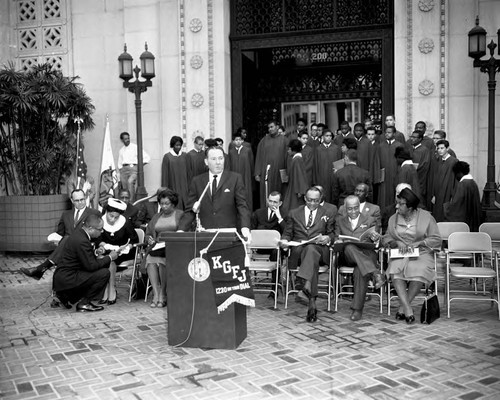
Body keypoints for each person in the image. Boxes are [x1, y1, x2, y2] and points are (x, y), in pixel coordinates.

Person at [382, 188, 441, 324]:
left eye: (401, 204)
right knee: (395, 271)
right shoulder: (393, 219)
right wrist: (395, 241)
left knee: (419, 271)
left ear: (410, 207)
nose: (397, 206)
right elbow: (386, 237)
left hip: (422, 252)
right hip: (401, 253)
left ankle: (403, 307)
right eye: (397, 203)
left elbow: (436, 238)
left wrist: (420, 243)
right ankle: (408, 309)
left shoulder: (427, 217)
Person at [279, 187, 334, 323]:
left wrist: (327, 238)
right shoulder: (294, 213)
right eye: (309, 200)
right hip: (298, 252)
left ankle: (305, 286)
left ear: (320, 200)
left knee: (311, 250)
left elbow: (332, 233)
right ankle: (311, 301)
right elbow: (287, 232)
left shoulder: (327, 213)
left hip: (320, 251)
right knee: (310, 258)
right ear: (304, 198)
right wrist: (285, 241)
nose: (312, 203)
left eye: (316, 201)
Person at [20, 189, 101, 280]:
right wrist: (56, 239)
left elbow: (98, 233)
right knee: (66, 239)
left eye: (82, 199)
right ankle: (45, 272)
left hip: (84, 247)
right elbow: (60, 233)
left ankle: (42, 268)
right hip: (68, 249)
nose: (80, 202)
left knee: (68, 238)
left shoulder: (94, 213)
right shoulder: (66, 214)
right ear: (72, 201)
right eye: (77, 200)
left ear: (85, 198)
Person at [178, 146, 251, 238]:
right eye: (213, 159)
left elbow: (242, 206)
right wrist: (181, 229)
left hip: (228, 234)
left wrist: (245, 227)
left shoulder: (235, 179)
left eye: (221, 158)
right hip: (205, 233)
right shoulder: (197, 181)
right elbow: (190, 210)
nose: (218, 162)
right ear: (206, 161)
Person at [52, 214, 118, 312]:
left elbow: (82, 257)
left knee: (96, 272)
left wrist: (95, 252)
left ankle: (66, 296)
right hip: (68, 278)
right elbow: (91, 266)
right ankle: (84, 303)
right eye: (100, 229)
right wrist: (109, 257)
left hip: (64, 276)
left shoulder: (79, 233)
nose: (102, 231)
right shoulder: (82, 240)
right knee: (104, 273)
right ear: (90, 228)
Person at [334, 195, 385, 321]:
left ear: (359, 207)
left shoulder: (370, 220)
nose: (353, 211)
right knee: (350, 246)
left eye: (356, 208)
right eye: (350, 209)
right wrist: (338, 240)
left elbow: (377, 242)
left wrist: (375, 238)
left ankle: (357, 309)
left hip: (367, 254)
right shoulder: (340, 221)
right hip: (348, 256)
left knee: (360, 271)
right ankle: (375, 273)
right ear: (345, 209)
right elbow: (335, 238)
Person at [144, 189, 184, 308]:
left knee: (162, 262)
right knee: (150, 260)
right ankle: (156, 294)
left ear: (173, 203)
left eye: (167, 203)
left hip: (175, 247)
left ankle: (163, 294)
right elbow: (148, 233)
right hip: (157, 245)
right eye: (161, 204)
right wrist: (149, 239)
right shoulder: (157, 216)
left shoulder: (180, 215)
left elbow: (185, 231)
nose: (164, 206)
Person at [98, 198, 139, 305]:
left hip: (123, 252)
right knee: (105, 259)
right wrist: (105, 246)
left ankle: (111, 289)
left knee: (110, 260)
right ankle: (106, 289)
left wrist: (126, 247)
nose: (113, 219)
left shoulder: (125, 222)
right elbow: (98, 240)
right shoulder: (100, 221)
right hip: (106, 250)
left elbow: (134, 239)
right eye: (111, 216)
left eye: (116, 217)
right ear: (106, 212)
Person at [254, 120, 289, 208]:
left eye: (271, 127)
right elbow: (259, 156)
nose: (270, 129)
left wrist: (287, 172)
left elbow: (288, 157)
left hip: (280, 172)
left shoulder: (285, 140)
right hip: (267, 172)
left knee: (280, 192)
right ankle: (266, 214)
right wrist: (257, 172)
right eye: (268, 127)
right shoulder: (264, 141)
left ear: (277, 127)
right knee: (267, 192)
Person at [444, 161, 482, 231]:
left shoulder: (462, 185)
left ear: (459, 173)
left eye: (455, 174)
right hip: (473, 222)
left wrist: (446, 207)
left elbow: (457, 205)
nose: (455, 177)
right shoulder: (473, 183)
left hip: (465, 223)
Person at [373, 125, 404, 210]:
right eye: (386, 132)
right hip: (384, 176)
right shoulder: (380, 146)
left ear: (394, 134)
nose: (387, 134)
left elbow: (402, 162)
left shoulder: (399, 146)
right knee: (383, 196)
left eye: (389, 132)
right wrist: (378, 176)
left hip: (395, 175)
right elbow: (377, 161)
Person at [117, 131, 150, 202]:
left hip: (133, 169)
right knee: (125, 189)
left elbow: (147, 158)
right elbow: (119, 163)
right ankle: (126, 204)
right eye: (125, 139)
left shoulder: (135, 147)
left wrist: (138, 166)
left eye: (128, 138)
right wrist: (121, 170)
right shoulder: (121, 150)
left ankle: (132, 203)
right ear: (122, 140)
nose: (127, 140)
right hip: (123, 170)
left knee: (130, 182)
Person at [429, 139, 458, 222]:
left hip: (448, 193)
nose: (440, 150)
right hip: (438, 193)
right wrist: (434, 194)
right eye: (438, 148)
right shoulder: (439, 161)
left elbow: (455, 180)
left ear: (447, 148)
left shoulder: (454, 161)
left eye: (442, 148)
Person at [161, 136, 191, 210]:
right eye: (176, 145)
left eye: (180, 145)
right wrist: (165, 189)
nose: (178, 147)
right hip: (173, 185)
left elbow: (189, 172)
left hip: (184, 185)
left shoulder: (185, 156)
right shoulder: (167, 157)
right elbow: (165, 174)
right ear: (172, 145)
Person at [313, 130, 342, 203]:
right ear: (322, 137)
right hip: (322, 177)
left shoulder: (336, 148)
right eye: (326, 136)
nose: (329, 138)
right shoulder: (318, 149)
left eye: (330, 136)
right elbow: (315, 165)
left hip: (333, 175)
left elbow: (339, 163)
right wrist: (316, 179)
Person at [228, 131, 254, 211]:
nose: (238, 141)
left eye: (240, 140)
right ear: (233, 141)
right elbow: (229, 165)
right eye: (236, 140)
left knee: (246, 194)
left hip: (246, 176)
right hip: (234, 176)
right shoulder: (231, 152)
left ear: (242, 141)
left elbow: (251, 163)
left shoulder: (247, 150)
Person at [283, 139, 309, 213]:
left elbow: (299, 175)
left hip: (295, 188)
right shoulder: (298, 158)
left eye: (289, 149)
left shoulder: (296, 159)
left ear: (292, 150)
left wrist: (300, 191)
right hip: (295, 186)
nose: (288, 151)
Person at [408, 130, 431, 208]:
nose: (412, 139)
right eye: (411, 137)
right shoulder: (410, 149)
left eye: (414, 137)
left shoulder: (424, 150)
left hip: (419, 180)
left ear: (420, 139)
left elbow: (424, 166)